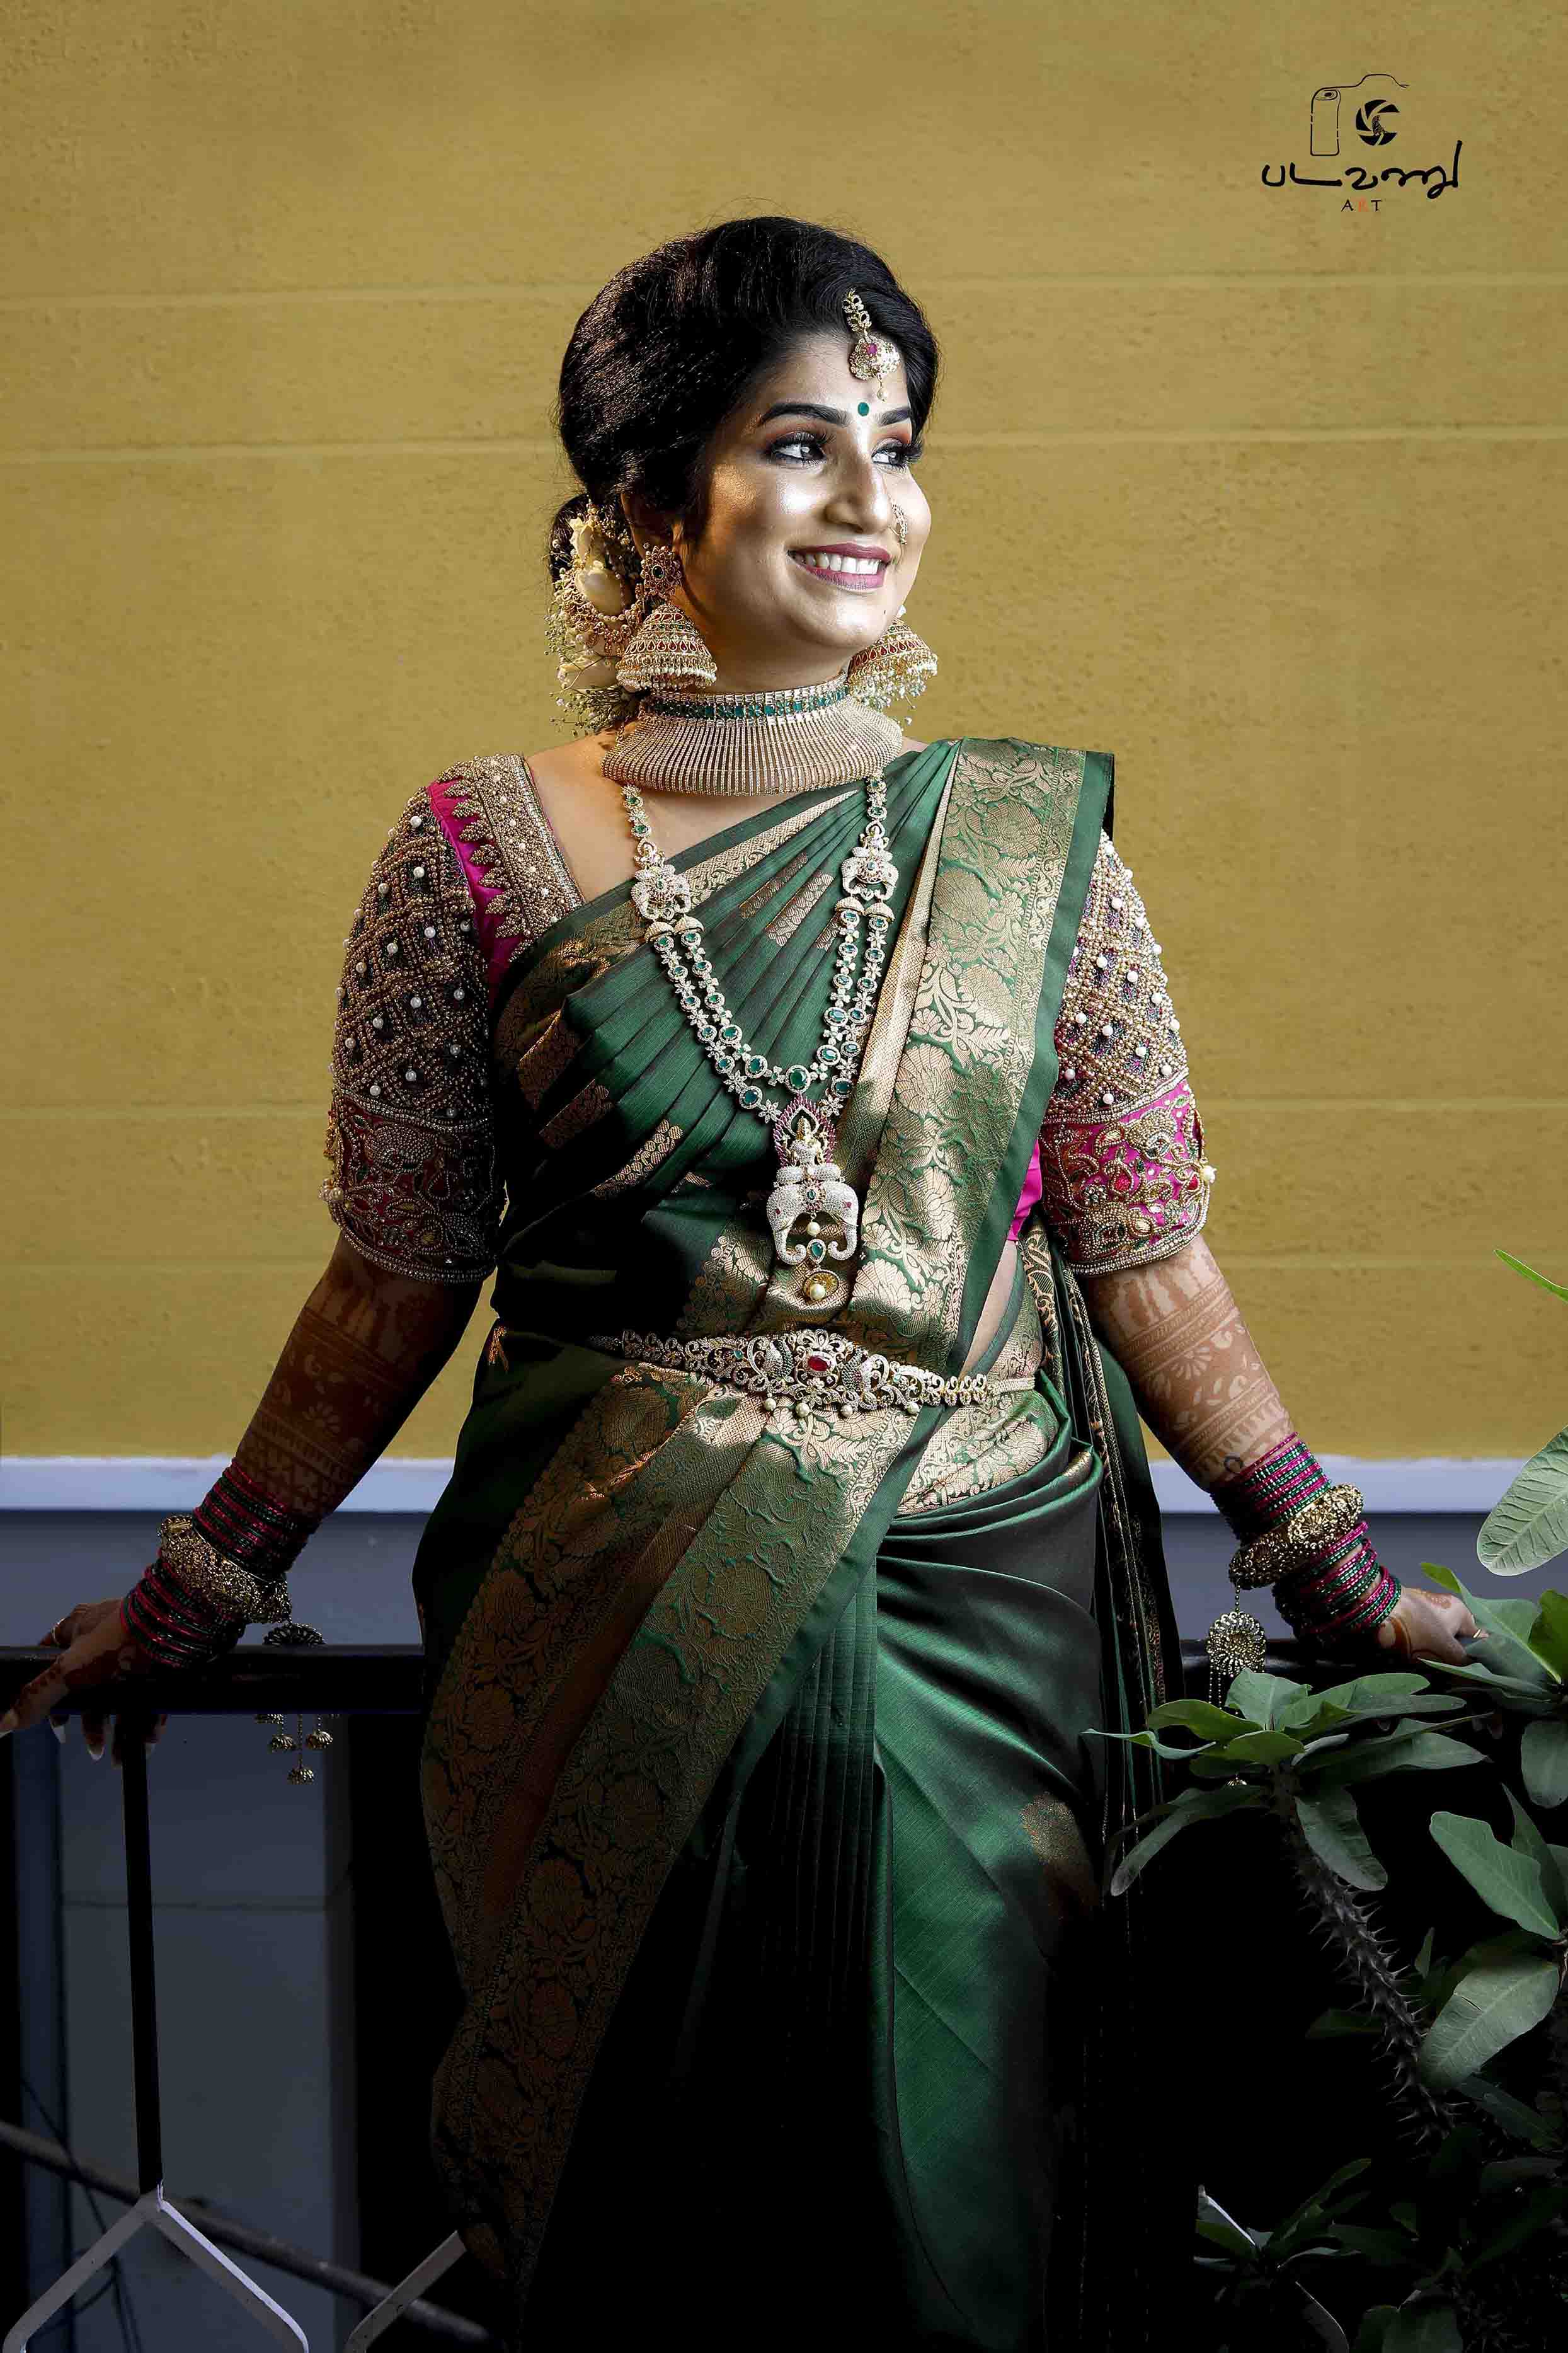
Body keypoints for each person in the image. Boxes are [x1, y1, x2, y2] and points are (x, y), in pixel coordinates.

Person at [4, 217, 1480, 2351]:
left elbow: (1142, 1243)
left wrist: (1334, 1572)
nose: (873, 496)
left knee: (960, 2196)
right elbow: (392, 1273)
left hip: (977, 1631)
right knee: (653, 2217)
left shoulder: (1030, 850)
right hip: (599, 1626)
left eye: (899, 442)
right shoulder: (474, 849)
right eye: (800, 443)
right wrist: (197, 1589)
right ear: (643, 505)